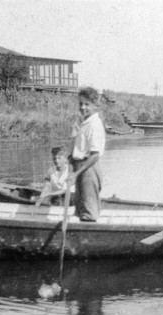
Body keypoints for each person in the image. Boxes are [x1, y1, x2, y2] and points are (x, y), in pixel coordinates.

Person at [66, 87, 106, 222]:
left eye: (87, 104)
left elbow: (94, 155)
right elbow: (76, 150)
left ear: (95, 105)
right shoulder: (84, 123)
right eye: (80, 104)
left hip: (88, 170)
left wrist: (76, 174)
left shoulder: (94, 124)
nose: (82, 107)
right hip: (79, 168)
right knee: (80, 209)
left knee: (89, 213)